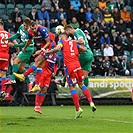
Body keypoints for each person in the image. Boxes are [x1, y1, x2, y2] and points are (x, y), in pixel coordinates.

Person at [44, 33, 96, 118]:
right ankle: (91, 102)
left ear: (61, 37)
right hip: (77, 65)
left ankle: (78, 109)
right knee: (81, 84)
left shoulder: (62, 41)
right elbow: (84, 49)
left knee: (72, 87)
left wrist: (48, 51)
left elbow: (57, 48)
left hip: (70, 66)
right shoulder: (73, 42)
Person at [13, 21, 56, 90]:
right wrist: (25, 47)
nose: (34, 30)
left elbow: (48, 42)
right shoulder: (30, 32)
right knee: (39, 65)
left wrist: (41, 50)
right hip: (43, 45)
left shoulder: (42, 30)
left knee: (37, 61)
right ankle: (37, 85)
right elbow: (29, 41)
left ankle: (23, 76)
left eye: (35, 28)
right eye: (32, 29)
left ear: (37, 25)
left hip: (50, 45)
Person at [4, 18, 33, 86]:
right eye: (25, 25)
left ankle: (12, 79)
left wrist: (14, 45)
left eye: (27, 26)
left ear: (29, 26)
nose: (26, 27)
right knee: (21, 68)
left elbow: (24, 44)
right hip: (25, 48)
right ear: (23, 24)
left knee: (15, 61)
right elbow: (17, 35)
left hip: (28, 49)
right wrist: (8, 39)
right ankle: (30, 83)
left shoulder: (29, 32)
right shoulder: (21, 27)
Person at [0, 21, 16, 101]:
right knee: (3, 74)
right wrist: (16, 52)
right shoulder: (8, 34)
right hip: (6, 56)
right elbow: (15, 43)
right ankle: (2, 91)